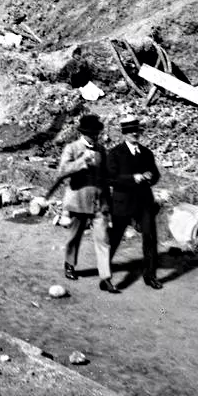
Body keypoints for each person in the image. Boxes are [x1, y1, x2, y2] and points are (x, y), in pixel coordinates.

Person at [46, 115, 116, 292]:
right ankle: (69, 264)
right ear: (83, 133)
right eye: (91, 133)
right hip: (78, 200)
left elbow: (106, 177)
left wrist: (108, 203)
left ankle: (105, 277)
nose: (94, 136)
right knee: (74, 237)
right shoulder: (72, 148)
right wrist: (82, 161)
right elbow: (61, 171)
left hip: (99, 202)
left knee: (103, 239)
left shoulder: (101, 150)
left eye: (97, 133)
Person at [106, 117, 163, 288]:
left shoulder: (147, 153)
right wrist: (133, 178)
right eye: (131, 132)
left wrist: (150, 177)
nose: (135, 134)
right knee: (115, 238)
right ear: (124, 134)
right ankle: (105, 272)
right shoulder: (115, 153)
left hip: (144, 202)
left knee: (150, 238)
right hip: (123, 203)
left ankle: (150, 275)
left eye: (137, 131)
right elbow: (111, 178)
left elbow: (156, 174)